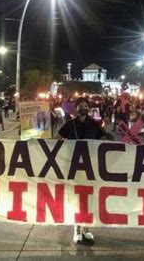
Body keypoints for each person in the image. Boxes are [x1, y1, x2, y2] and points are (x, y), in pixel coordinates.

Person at [56, 97, 114, 245]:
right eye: (80, 106)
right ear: (76, 109)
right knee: (76, 198)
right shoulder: (70, 125)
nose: (83, 108)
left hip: (90, 166)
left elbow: (103, 140)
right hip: (73, 166)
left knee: (89, 198)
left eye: (86, 106)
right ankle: (77, 229)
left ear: (89, 108)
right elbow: (56, 140)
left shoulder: (94, 124)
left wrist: (114, 140)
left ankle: (86, 228)